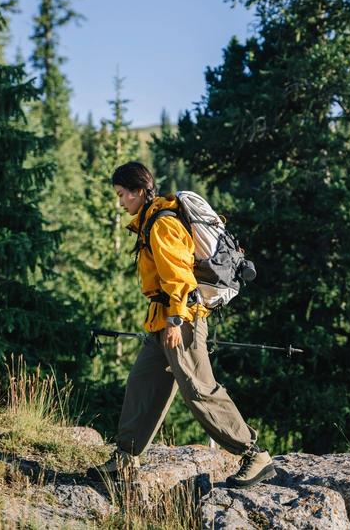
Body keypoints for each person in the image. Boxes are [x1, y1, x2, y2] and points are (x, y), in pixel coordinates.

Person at [91, 161, 276, 488]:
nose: (120, 202)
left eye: (122, 195)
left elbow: (180, 279)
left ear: (137, 192)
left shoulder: (162, 225)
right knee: (142, 384)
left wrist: (176, 321)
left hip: (181, 320)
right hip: (162, 321)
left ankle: (254, 455)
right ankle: (124, 458)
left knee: (199, 390)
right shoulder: (151, 219)